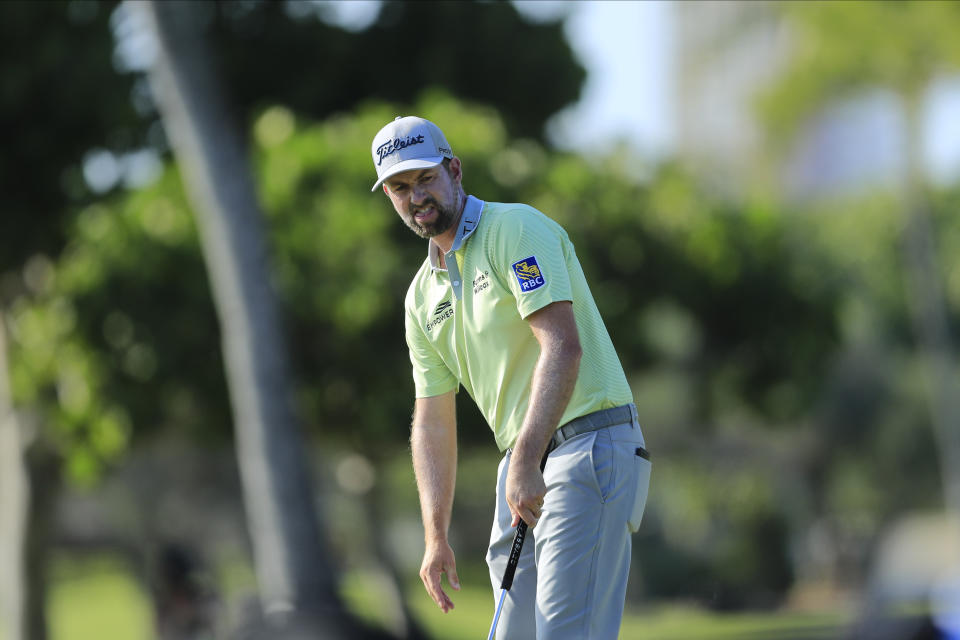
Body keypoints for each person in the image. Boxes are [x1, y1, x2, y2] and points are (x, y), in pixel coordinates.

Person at [370, 115, 652, 639]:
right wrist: (435, 536)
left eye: (426, 178)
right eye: (400, 187)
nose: (417, 197)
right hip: (524, 466)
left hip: (589, 448)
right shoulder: (420, 297)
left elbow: (563, 346)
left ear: (454, 170)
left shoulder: (513, 229)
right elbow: (432, 421)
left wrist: (524, 458)